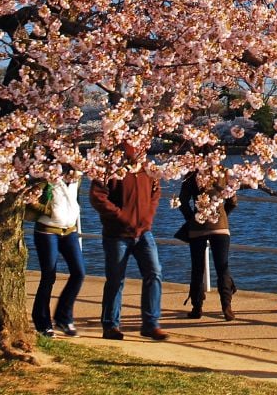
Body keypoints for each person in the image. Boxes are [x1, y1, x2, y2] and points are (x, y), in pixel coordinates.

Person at [89, 141, 167, 341]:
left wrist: (148, 216)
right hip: (117, 234)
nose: (141, 151)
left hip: (143, 232)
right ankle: (110, 325)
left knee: (154, 272)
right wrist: (122, 216)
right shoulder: (110, 168)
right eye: (136, 147)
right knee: (116, 279)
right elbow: (98, 198)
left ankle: (151, 324)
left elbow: (155, 191)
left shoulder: (147, 169)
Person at [28, 175, 85, 338]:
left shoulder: (77, 177)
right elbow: (30, 199)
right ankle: (42, 322)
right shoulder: (47, 177)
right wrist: (50, 211)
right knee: (48, 276)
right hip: (47, 231)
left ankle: (63, 317)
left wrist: (73, 211)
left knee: (79, 273)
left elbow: (74, 198)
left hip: (70, 230)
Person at [178, 169, 237, 320]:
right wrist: (222, 215)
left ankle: (197, 307)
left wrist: (193, 219)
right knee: (222, 267)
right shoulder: (223, 172)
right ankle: (226, 307)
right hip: (220, 227)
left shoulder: (191, 174)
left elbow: (182, 202)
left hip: (197, 227)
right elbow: (232, 201)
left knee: (197, 268)